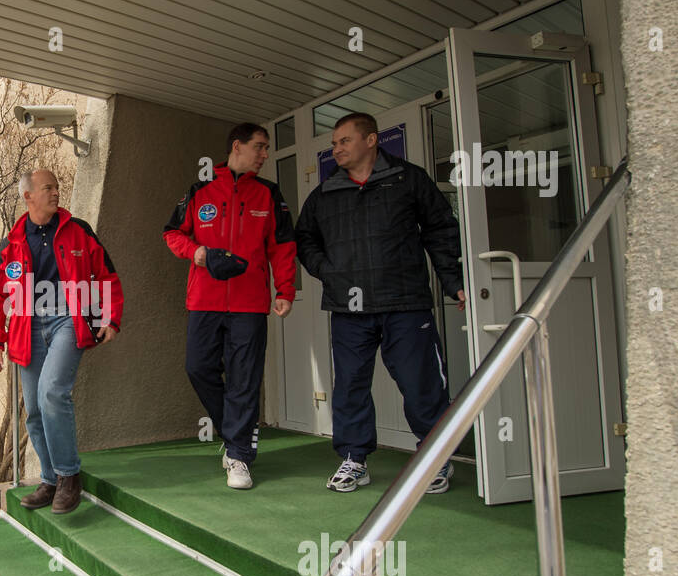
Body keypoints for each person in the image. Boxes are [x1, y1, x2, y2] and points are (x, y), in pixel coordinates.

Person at [294, 112, 466, 494]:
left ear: (371, 140)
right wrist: (328, 270)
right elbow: (304, 239)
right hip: (348, 309)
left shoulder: (409, 179)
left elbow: (441, 229)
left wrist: (454, 282)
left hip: (405, 303)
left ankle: (434, 458)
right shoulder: (325, 193)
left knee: (420, 383)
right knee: (350, 385)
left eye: (344, 141)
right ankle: (354, 459)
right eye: (334, 143)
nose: (336, 148)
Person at [163, 123, 296, 489]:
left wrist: (285, 289)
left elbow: (282, 245)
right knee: (198, 367)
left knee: (244, 378)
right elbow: (173, 232)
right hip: (204, 300)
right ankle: (235, 430)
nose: (265, 154)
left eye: (267, 148)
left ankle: (238, 454)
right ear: (237, 146)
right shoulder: (200, 188)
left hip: (250, 304)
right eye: (260, 147)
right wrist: (198, 252)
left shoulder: (269, 194)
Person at [0, 169, 123, 515]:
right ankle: (48, 479)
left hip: (67, 320)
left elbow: (106, 274)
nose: (56, 192)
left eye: (57, 187)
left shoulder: (78, 231)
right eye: (48, 188)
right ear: (28, 196)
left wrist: (110, 317)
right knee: (33, 409)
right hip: (26, 326)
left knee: (52, 392)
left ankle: (68, 477)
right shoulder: (12, 242)